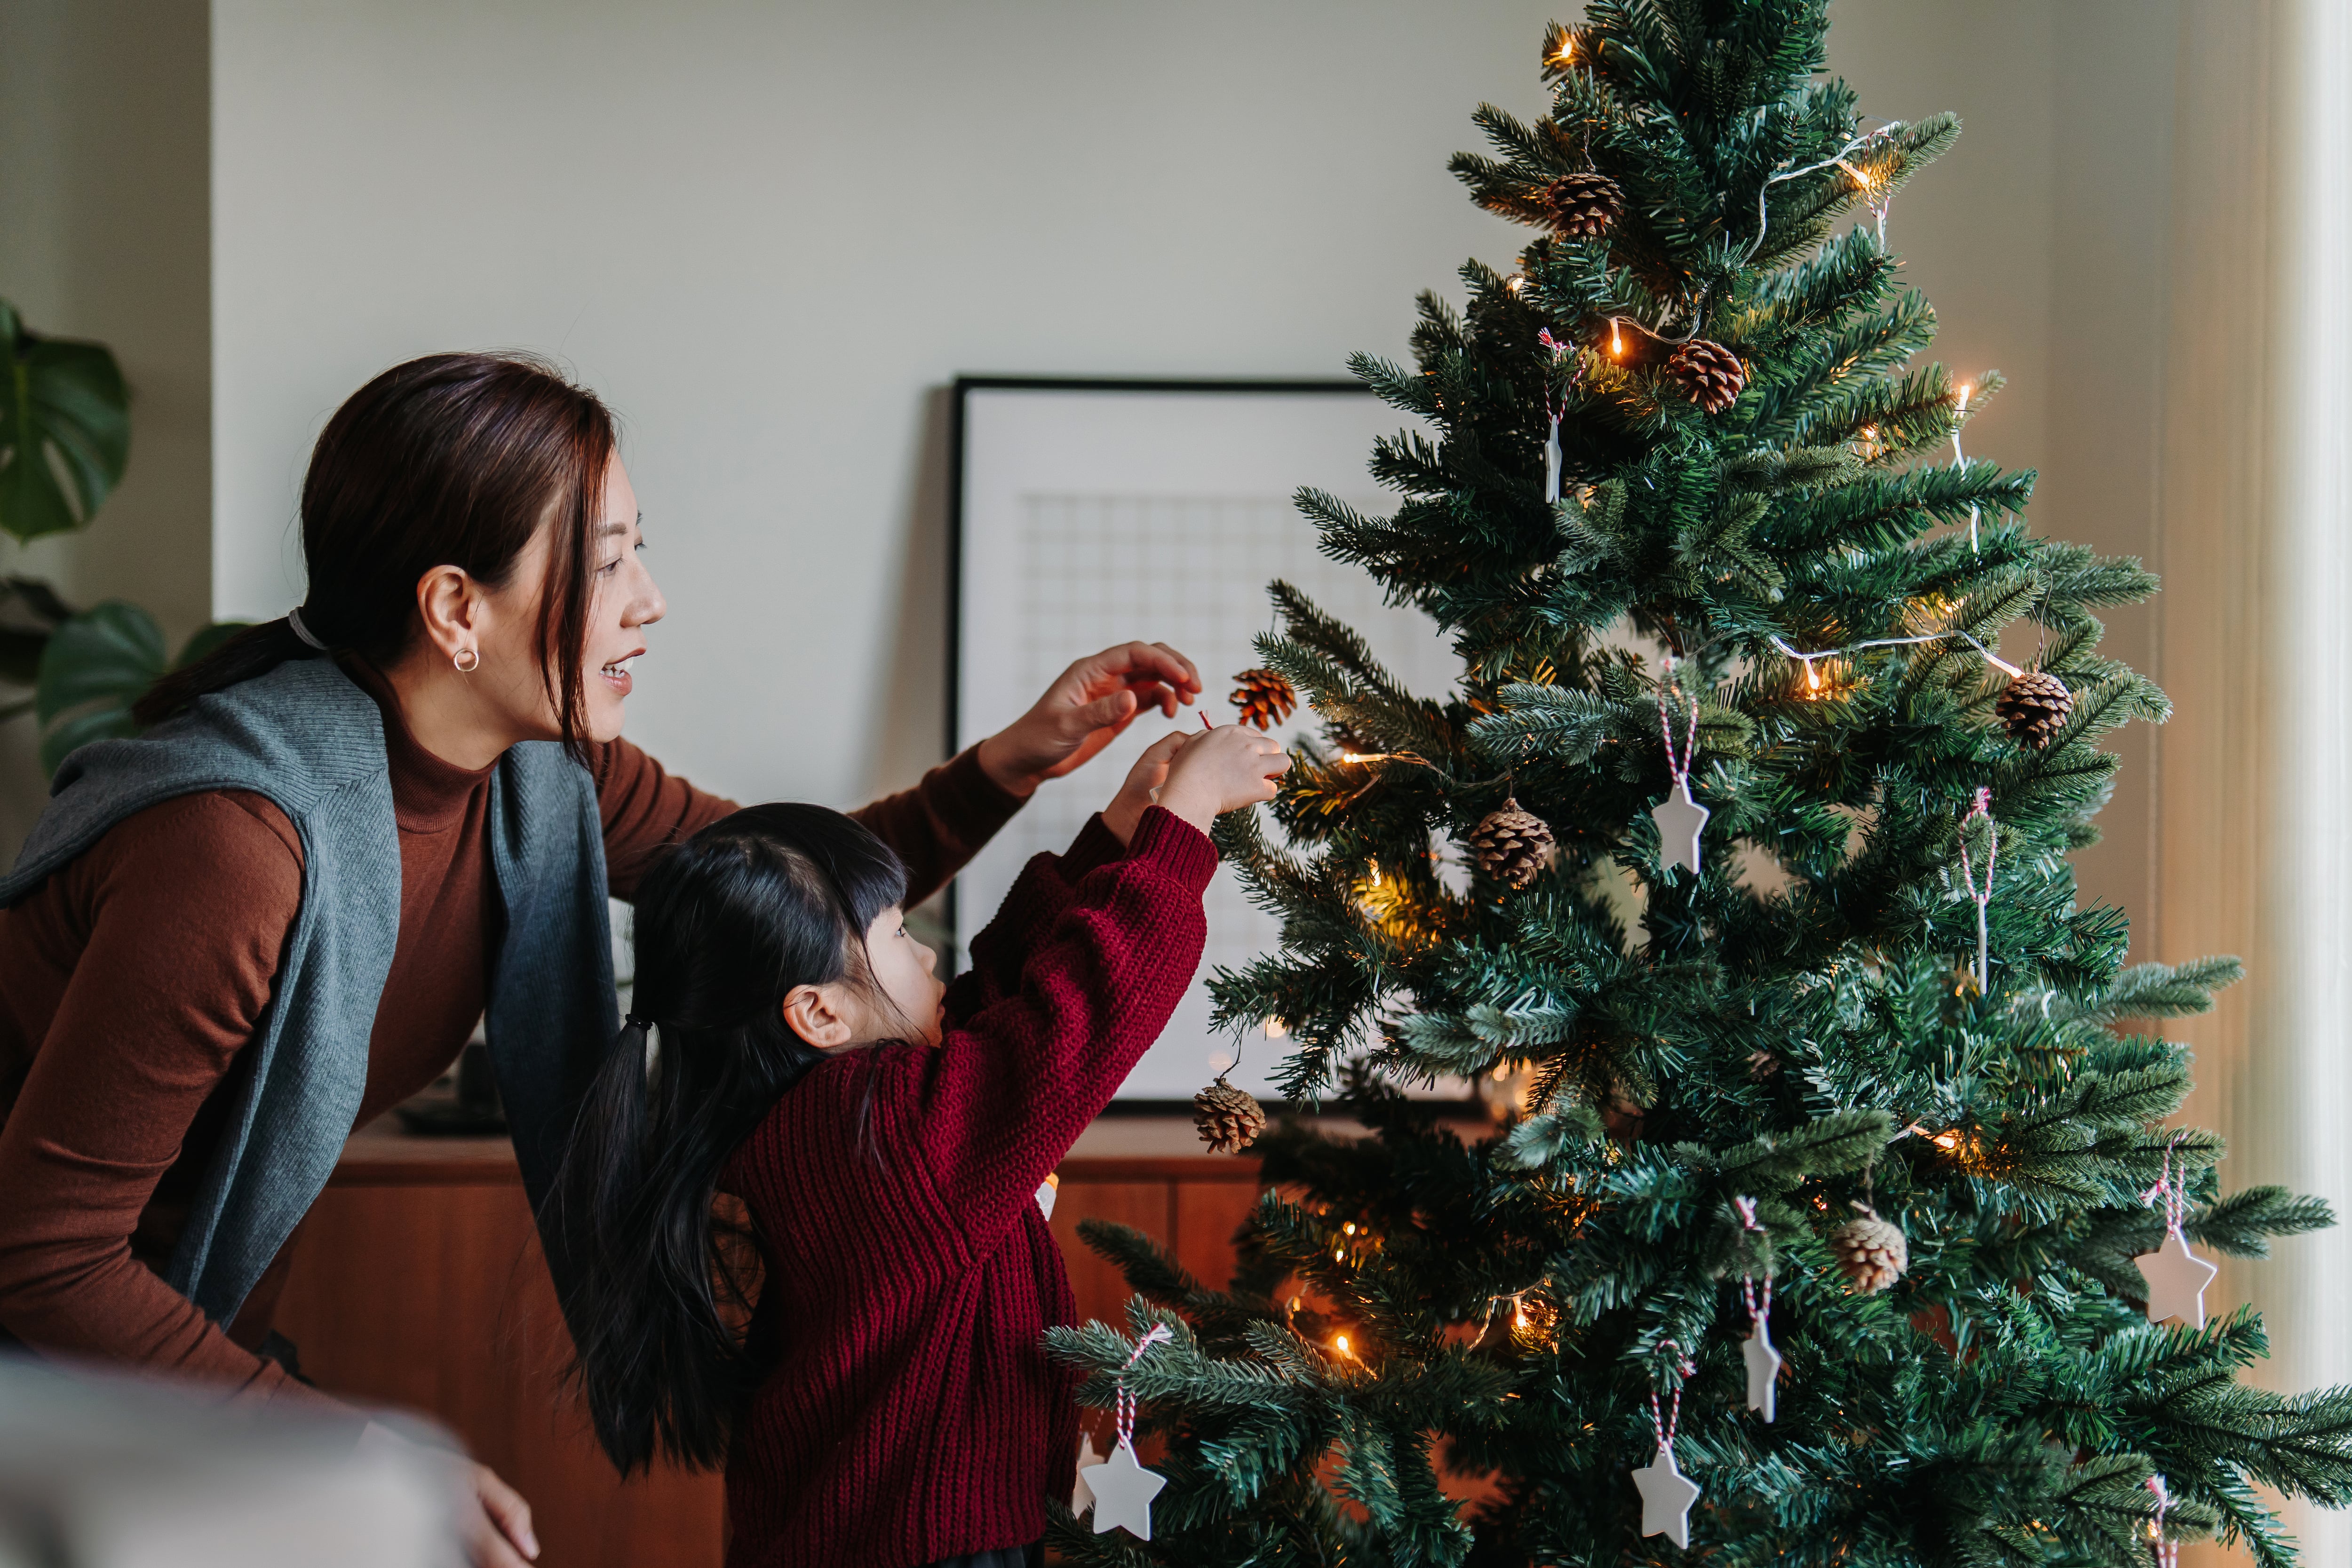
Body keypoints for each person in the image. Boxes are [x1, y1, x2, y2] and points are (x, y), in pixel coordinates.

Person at [0, 351, 1204, 1568]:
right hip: (52, 1357)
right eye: (610, 555)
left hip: (169, 1335)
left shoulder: (539, 770)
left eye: (639, 548)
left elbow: (787, 903)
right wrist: (342, 1442)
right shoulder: (237, 851)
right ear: (456, 609)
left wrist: (1013, 760)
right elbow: (44, 1251)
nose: (651, 597)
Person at [548, 719, 1287, 1568]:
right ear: (819, 1012)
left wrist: (1116, 837)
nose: (929, 952)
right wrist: (1183, 822)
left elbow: (992, 1012)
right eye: (899, 934)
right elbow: (1070, 1022)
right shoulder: (890, 1137)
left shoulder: (836, 1114)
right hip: (932, 1548)